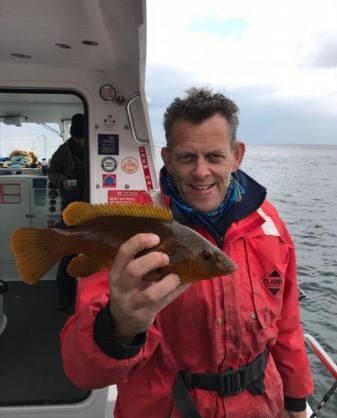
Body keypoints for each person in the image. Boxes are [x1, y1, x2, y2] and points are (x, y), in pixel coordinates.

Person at [60, 89, 314, 417]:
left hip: (263, 404)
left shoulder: (269, 224)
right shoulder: (130, 230)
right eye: (186, 157)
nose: (201, 172)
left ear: (237, 155)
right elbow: (84, 372)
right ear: (166, 158)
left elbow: (288, 325)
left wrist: (296, 401)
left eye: (214, 156)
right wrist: (119, 326)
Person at [48, 113, 86, 310]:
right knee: (68, 251)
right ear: (73, 136)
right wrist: (62, 180)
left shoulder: (95, 147)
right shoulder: (63, 152)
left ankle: (84, 295)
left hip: (91, 206)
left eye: (83, 137)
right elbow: (51, 172)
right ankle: (64, 296)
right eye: (78, 137)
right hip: (71, 207)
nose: (81, 141)